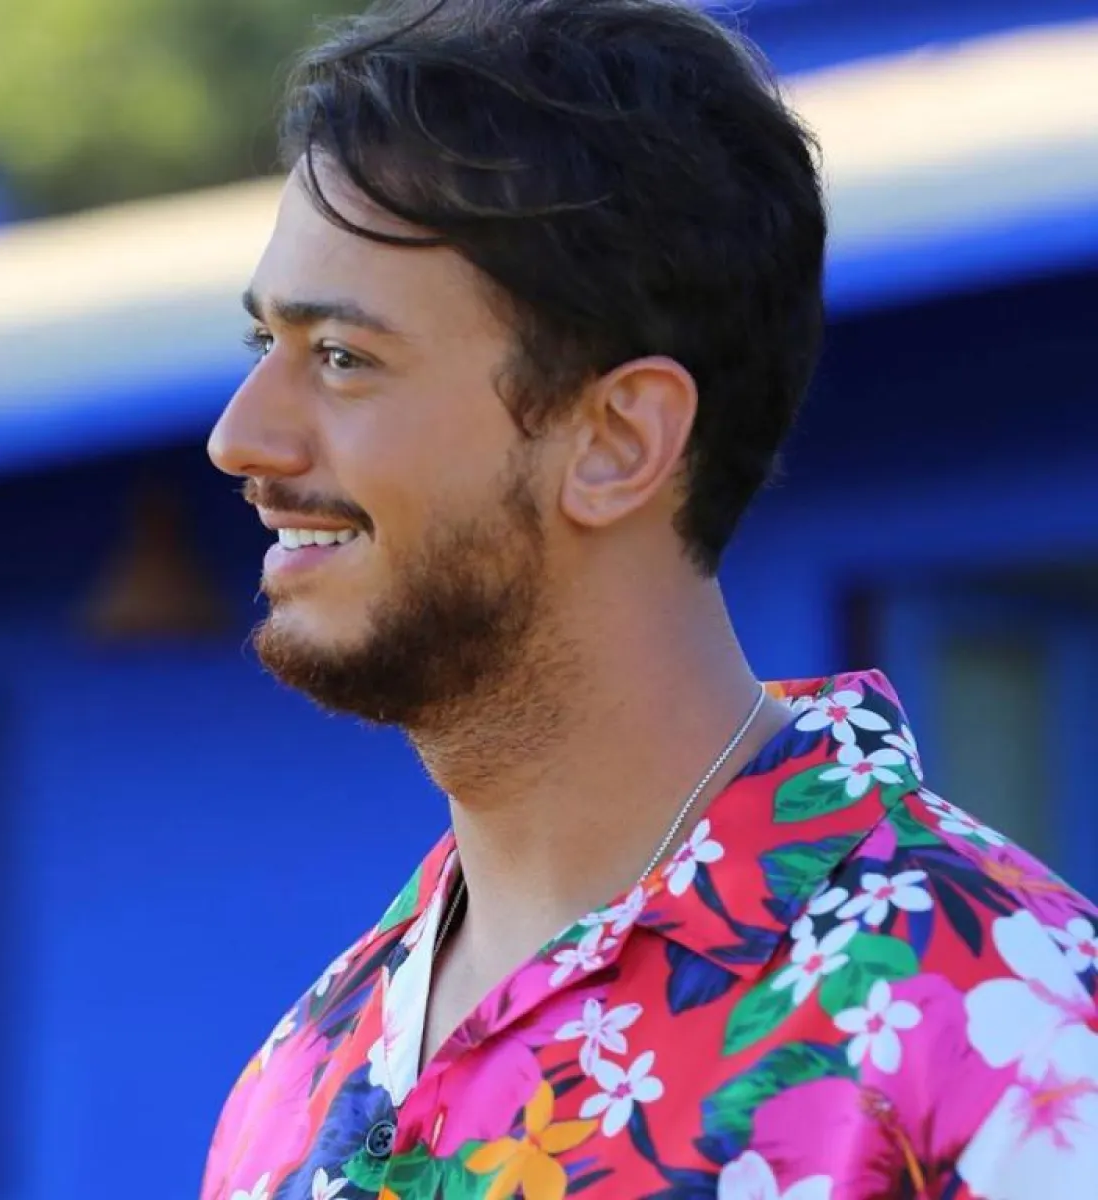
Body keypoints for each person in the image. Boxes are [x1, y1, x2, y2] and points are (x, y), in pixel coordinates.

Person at [202, 1, 1098, 1197]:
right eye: (261, 346)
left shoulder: (1002, 1030)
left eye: (342, 357)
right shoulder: (306, 1070)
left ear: (618, 441)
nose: (239, 437)